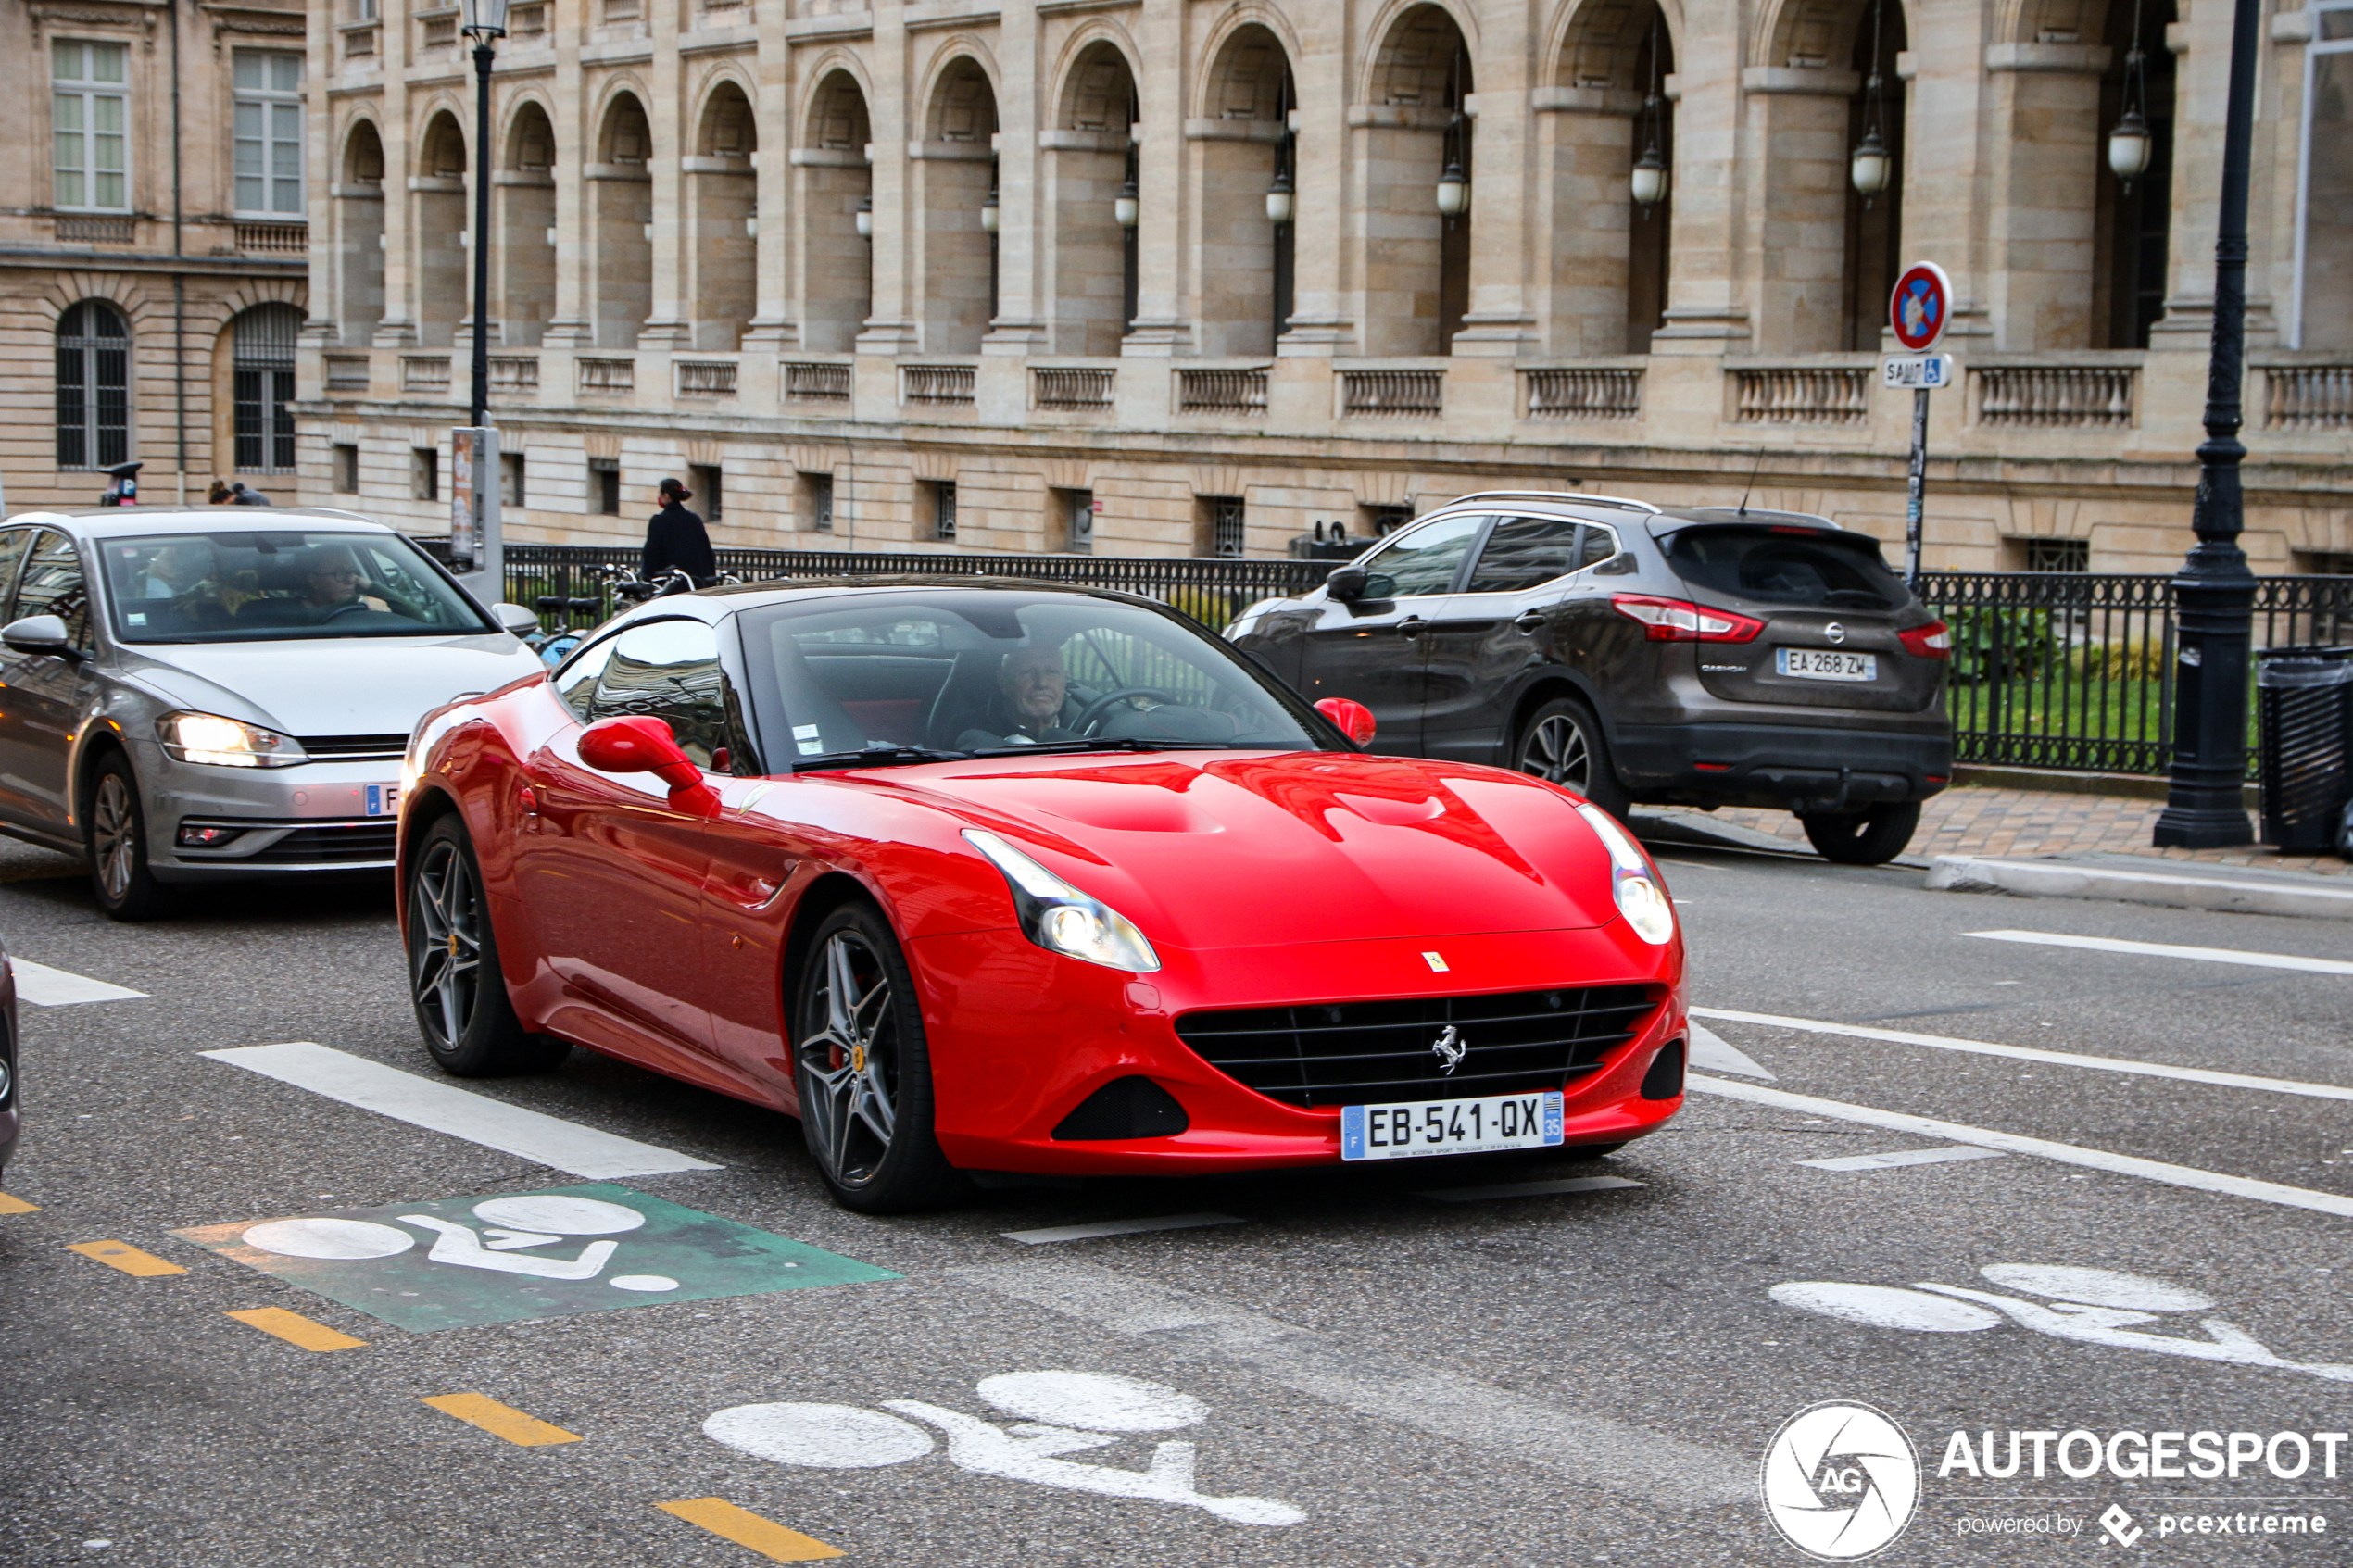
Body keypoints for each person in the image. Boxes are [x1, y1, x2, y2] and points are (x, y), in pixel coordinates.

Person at [953, 646, 1081, 750]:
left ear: (1065, 681)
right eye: (1027, 672)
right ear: (1003, 682)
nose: (1042, 683)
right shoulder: (966, 728)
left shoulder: (1089, 725)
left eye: (1051, 672)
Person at [642, 477, 715, 587]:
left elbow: (651, 554)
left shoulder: (658, 521)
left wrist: (648, 577)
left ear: (666, 496)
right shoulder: (694, 519)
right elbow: (706, 551)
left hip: (670, 584)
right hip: (695, 583)